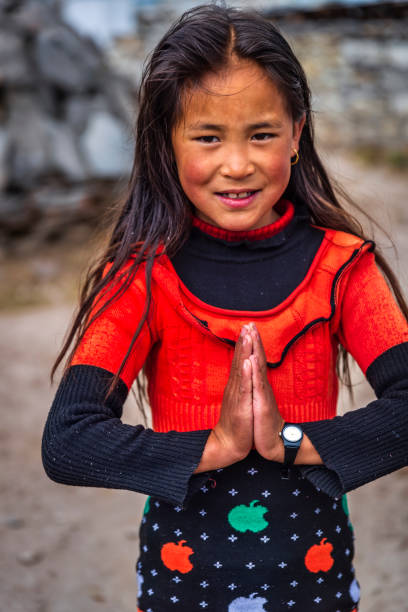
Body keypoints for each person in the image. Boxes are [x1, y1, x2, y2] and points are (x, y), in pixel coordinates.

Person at [42, 5, 408, 611]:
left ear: (297, 132)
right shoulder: (142, 279)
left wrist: (289, 441)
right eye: (207, 136)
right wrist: (214, 446)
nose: (236, 165)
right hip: (182, 585)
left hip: (313, 584)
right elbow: (68, 439)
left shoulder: (343, 268)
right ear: (166, 141)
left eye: (261, 133)